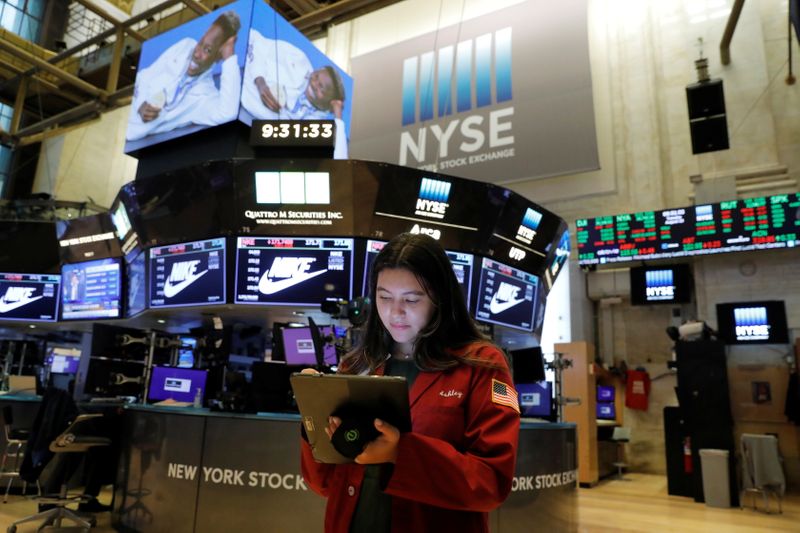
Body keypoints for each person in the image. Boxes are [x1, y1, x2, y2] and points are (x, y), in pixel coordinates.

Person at [300, 233, 520, 533]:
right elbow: (324, 482)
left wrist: (400, 453)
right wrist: (313, 417)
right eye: (384, 297)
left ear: (440, 298)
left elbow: (491, 483)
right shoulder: (357, 364)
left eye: (412, 299)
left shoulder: (481, 365)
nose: (395, 312)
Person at [126, 11, 242, 142]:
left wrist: (229, 58)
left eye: (207, 50)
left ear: (219, 56)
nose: (197, 54)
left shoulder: (204, 98)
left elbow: (227, 113)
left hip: (129, 136)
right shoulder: (185, 46)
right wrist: (141, 103)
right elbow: (144, 76)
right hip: (126, 114)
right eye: (201, 42)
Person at [241, 28, 348, 158]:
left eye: (321, 87)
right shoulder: (299, 60)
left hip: (248, 128)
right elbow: (259, 43)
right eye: (316, 75)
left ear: (327, 105)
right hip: (238, 81)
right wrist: (260, 81)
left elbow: (339, 159)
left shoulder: (314, 124)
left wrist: (338, 114)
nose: (314, 83)